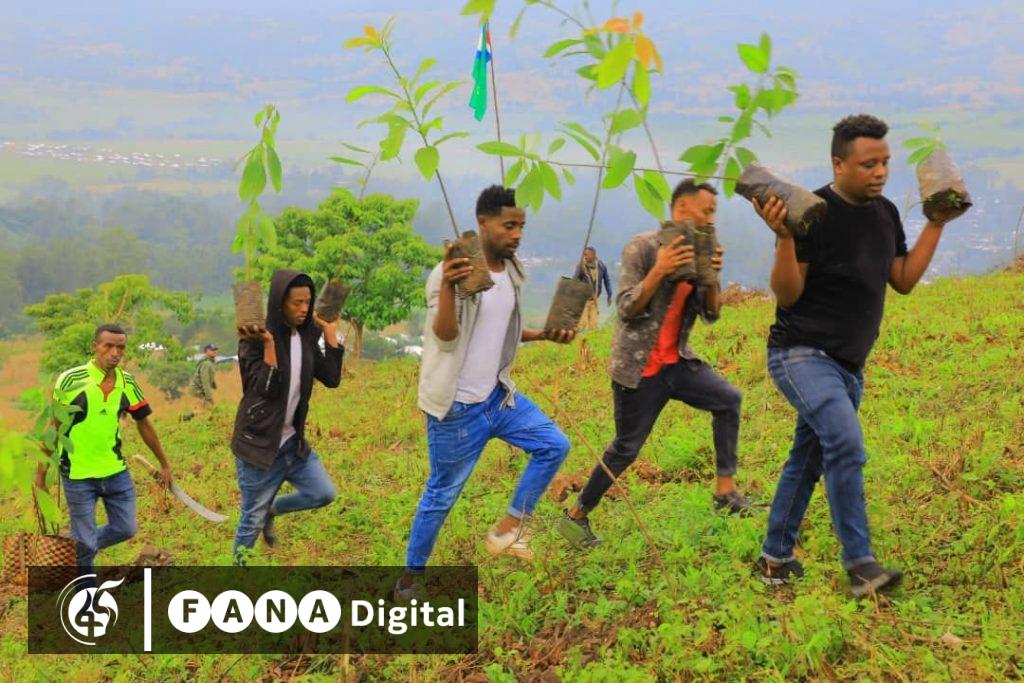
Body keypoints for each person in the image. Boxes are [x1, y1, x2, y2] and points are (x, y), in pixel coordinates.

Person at [752, 114, 966, 596]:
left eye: (885, 162)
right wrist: (784, 237)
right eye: (869, 164)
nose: (880, 172)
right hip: (800, 355)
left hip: (849, 367)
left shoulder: (885, 213)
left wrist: (935, 224)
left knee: (807, 458)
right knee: (845, 442)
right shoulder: (812, 212)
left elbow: (903, 279)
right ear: (838, 164)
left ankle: (774, 560)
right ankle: (861, 565)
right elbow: (787, 294)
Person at [395, 185, 577, 600]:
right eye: (508, 226)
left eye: (521, 226)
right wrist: (449, 287)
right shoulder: (453, 272)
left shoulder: (510, 272)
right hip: (458, 409)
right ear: (483, 223)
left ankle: (508, 529)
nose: (517, 235)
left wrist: (544, 335)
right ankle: (409, 579)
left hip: (498, 397)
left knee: (554, 445)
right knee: (442, 494)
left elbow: (504, 327)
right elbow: (445, 337)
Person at [558, 179, 751, 549]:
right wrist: (660, 270)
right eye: (706, 211)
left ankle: (725, 493)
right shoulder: (643, 248)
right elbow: (627, 307)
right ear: (681, 210)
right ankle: (576, 515)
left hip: (676, 363)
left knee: (729, 400)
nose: (712, 219)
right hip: (638, 370)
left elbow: (711, 314)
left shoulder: (700, 253)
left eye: (715, 212)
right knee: (626, 448)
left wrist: (712, 278)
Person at [35, 323, 173, 572]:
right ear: (95, 347)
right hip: (78, 475)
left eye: (121, 348)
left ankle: (74, 548)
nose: (115, 353)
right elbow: (54, 427)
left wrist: (164, 463)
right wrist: (40, 475)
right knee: (86, 545)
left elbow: (144, 423)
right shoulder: (71, 380)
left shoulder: (127, 383)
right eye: (108, 346)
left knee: (126, 528)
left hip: (115, 472)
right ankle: (85, 592)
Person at [231, 269, 343, 564]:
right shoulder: (253, 338)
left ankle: (273, 509)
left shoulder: (306, 336)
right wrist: (269, 345)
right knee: (251, 519)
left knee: (323, 493)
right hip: (259, 446)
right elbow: (266, 390)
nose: (304, 309)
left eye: (307, 302)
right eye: (297, 303)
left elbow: (331, 377)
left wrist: (330, 332)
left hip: (292, 443)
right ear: (280, 302)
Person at [574, 246, 613, 330]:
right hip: (583, 301)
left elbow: (607, 280)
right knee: (581, 325)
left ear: (593, 255)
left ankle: (591, 338)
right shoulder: (581, 267)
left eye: (587, 255)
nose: (585, 257)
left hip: (595, 300)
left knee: (594, 325)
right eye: (584, 255)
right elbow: (575, 280)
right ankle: (577, 337)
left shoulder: (601, 266)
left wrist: (609, 295)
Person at [191, 343, 218, 409]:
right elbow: (205, 381)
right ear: (206, 351)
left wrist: (214, 386)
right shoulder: (206, 363)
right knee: (201, 411)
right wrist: (210, 398)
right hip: (198, 391)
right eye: (212, 350)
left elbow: (209, 377)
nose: (215, 351)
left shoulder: (210, 362)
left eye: (215, 350)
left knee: (203, 410)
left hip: (201, 391)